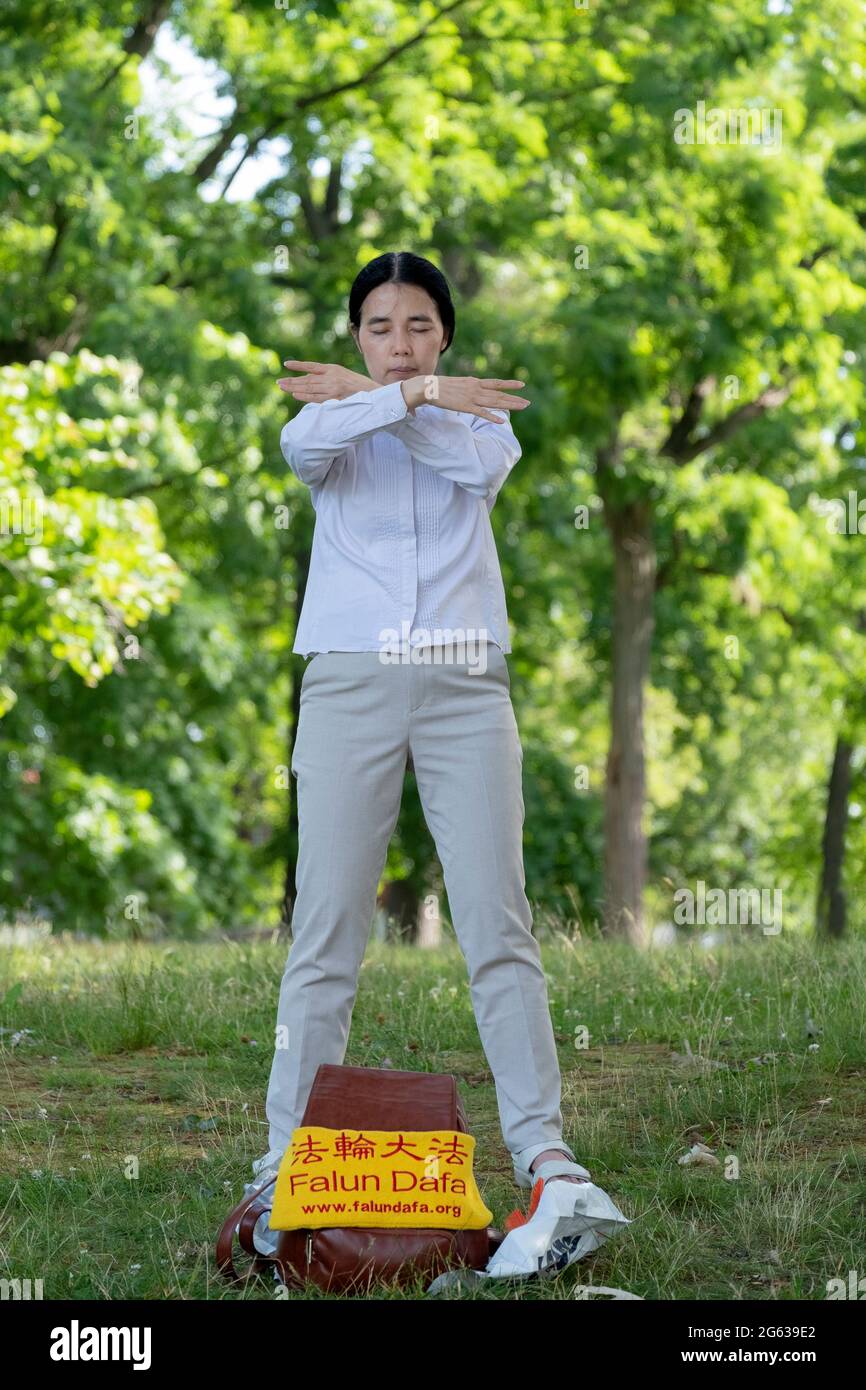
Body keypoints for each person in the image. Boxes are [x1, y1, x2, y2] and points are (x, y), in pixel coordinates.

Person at [245, 251, 595, 1263]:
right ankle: (282, 1161)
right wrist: (398, 395)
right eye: (378, 329)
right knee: (326, 929)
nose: (399, 345)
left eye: (418, 329)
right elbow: (307, 441)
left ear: (445, 333)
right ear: (352, 335)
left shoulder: (484, 426)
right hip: (350, 677)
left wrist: (405, 397)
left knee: (497, 921)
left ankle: (545, 1155)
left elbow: (468, 465)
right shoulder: (324, 422)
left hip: (460, 678)